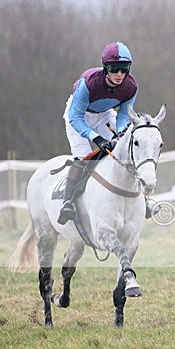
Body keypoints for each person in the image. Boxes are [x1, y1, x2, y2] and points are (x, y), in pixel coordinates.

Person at [57, 42, 139, 224]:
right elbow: (75, 117)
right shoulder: (89, 83)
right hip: (78, 116)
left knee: (123, 148)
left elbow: (123, 117)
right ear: (105, 68)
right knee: (85, 156)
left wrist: (120, 134)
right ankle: (67, 201)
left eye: (124, 69)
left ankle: (139, 198)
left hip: (104, 116)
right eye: (114, 69)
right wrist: (96, 137)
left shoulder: (131, 87)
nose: (119, 74)